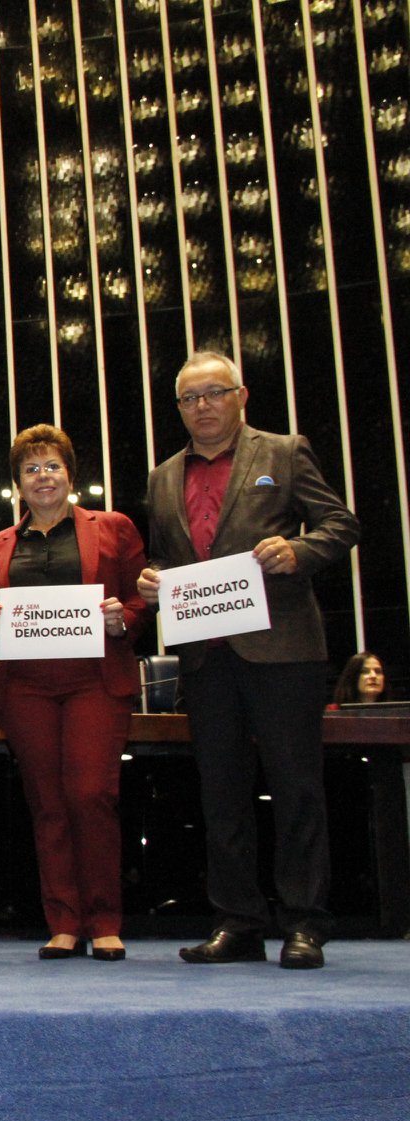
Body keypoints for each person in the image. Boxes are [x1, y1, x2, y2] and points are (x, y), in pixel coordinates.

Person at [139, 351, 359, 970]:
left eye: (214, 393)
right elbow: (164, 559)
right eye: (189, 398)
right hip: (206, 657)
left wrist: (299, 550)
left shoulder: (284, 452)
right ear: (178, 407)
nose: (202, 406)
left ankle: (304, 922)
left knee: (295, 787)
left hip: (282, 648)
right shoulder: (162, 477)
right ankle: (238, 921)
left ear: (242, 395)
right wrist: (154, 583)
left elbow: (341, 524)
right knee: (221, 792)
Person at [0, 425, 147, 962]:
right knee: (47, 804)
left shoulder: (114, 528)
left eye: (52, 466)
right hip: (27, 687)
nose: (42, 476)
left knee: (91, 794)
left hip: (94, 680)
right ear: (17, 486)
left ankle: (105, 919)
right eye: (31, 469)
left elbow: (143, 598)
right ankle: (65, 922)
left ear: (70, 476)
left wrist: (126, 618)